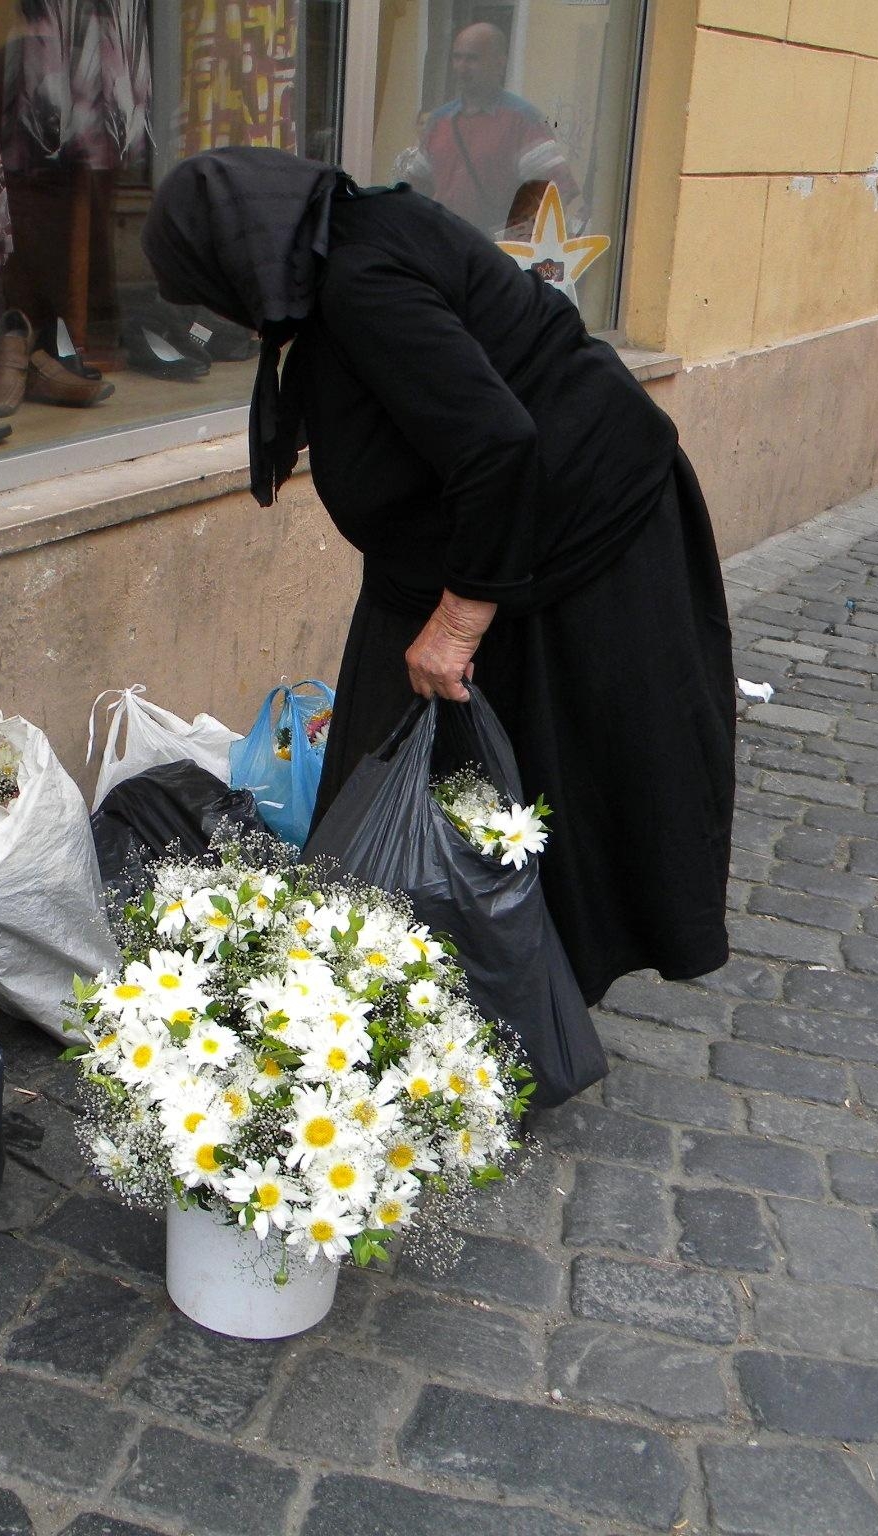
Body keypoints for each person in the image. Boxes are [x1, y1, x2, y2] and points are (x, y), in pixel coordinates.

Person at [142, 148, 735, 1007]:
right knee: (410, 766)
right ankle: (427, 986)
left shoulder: (360, 282)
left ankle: (479, 993)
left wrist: (458, 624)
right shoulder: (352, 242)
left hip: (579, 527)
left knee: (549, 770)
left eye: (206, 290)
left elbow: (497, 442)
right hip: (493, 538)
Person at [391, 22, 579, 237]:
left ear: (500, 63)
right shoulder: (439, 121)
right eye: (457, 57)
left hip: (496, 255)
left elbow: (558, 189)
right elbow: (415, 187)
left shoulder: (522, 120)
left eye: (472, 59)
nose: (462, 67)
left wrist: (519, 239)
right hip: (445, 248)